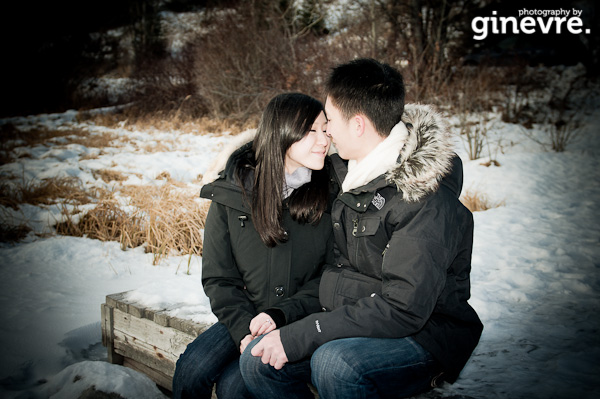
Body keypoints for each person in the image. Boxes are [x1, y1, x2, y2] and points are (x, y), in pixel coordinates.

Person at [239, 58, 483, 399]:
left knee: (335, 363)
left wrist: (301, 335)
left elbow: (403, 307)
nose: (327, 133)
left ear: (357, 125)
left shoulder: (423, 200)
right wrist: (283, 317)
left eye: (330, 121)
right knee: (258, 360)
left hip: (427, 333)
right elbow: (286, 158)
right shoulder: (350, 174)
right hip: (358, 314)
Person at [172, 92, 336, 399]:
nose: (324, 139)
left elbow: (332, 274)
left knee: (235, 389)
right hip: (244, 315)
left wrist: (282, 314)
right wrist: (243, 330)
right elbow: (219, 277)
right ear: (281, 132)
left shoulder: (330, 194)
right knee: (191, 371)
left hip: (298, 318)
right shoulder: (231, 193)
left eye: (326, 129)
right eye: (311, 130)